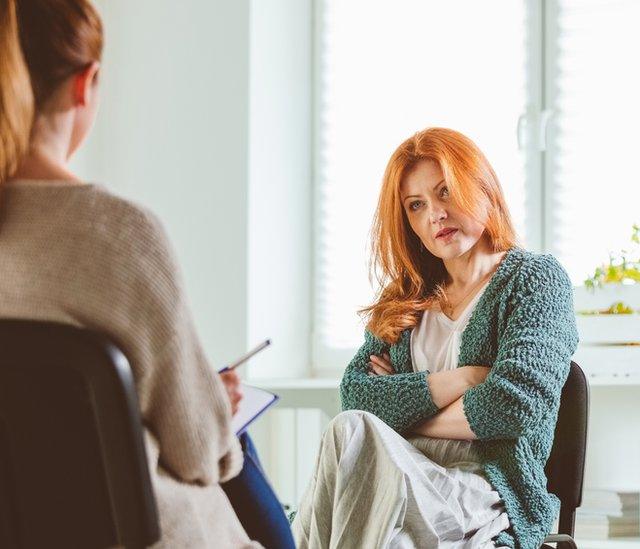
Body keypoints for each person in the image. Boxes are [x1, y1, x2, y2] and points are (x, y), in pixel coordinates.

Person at [0, 1, 292, 546]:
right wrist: (213, 404)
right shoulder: (118, 235)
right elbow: (200, 452)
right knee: (235, 448)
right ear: (86, 84)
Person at [291, 128, 579, 549]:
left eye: (446, 192)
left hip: (481, 489)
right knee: (357, 439)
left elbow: (513, 405)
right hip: (395, 481)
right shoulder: (403, 298)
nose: (435, 214)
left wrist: (397, 418)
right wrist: (463, 380)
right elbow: (356, 394)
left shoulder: (534, 280)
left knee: (355, 435)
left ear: (481, 187)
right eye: (416, 205)